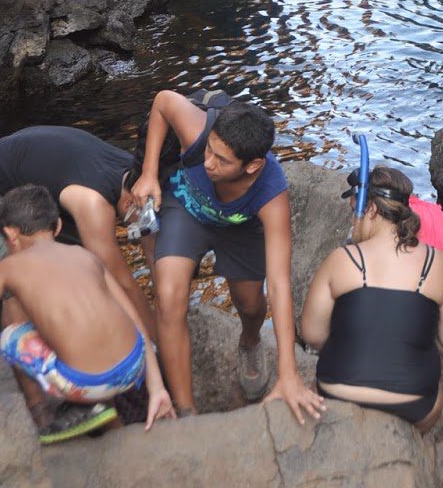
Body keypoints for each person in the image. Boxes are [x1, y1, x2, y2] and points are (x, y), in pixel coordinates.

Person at [130, 91, 322, 423]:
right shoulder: (199, 128)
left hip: (239, 228)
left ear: (253, 165)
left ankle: (249, 341)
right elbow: (161, 100)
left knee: (249, 303)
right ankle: (186, 410)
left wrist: (288, 374)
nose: (208, 163)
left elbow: (278, 284)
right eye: (209, 151)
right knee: (168, 294)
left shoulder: (271, 193)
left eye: (222, 160)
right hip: (186, 209)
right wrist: (148, 173)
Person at [0, 185, 173, 444]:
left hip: (87, 384)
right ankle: (109, 419)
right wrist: (158, 387)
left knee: (9, 327)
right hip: (133, 368)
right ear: (58, 226)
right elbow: (136, 320)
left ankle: (43, 415)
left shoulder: (8, 267)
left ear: (10, 234)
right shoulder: (84, 255)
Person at [299, 163, 443, 431]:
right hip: (412, 402)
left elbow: (311, 334)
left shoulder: (340, 259)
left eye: (354, 213)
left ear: (371, 210)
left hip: (336, 392)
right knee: (437, 402)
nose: (353, 222)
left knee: (313, 385)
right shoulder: (437, 263)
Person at [0, 125, 156, 334]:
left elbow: (152, 250)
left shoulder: (136, 174)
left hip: (34, 184)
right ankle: (23, 361)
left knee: (81, 265)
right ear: (128, 203)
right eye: (146, 218)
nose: (146, 223)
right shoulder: (92, 203)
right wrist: (157, 344)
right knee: (19, 286)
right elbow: (122, 282)